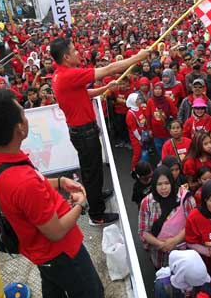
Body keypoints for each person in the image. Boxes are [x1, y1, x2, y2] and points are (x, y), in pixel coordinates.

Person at [0, 90, 129, 298]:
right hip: (60, 250)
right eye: (22, 113)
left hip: (37, 249)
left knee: (52, 284)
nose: (25, 116)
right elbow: (55, 231)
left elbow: (25, 187)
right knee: (91, 294)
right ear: (19, 129)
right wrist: (80, 205)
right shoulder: (23, 183)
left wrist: (57, 182)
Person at [50, 37, 149, 225]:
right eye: (74, 50)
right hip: (83, 132)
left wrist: (105, 88)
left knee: (91, 170)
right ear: (66, 56)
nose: (78, 53)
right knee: (92, 172)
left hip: (82, 131)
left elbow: (83, 94)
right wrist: (137, 57)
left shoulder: (60, 75)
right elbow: (110, 69)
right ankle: (97, 214)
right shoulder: (69, 75)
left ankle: (96, 196)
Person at [139, 165, 194, 269]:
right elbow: (143, 231)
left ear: (172, 183)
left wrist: (174, 241)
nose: (163, 188)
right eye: (159, 184)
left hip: (182, 252)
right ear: (154, 184)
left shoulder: (185, 198)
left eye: (167, 183)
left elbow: (192, 224)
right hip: (159, 256)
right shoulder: (146, 202)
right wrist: (161, 245)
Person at [148, 82, 178, 154]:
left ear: (163, 90)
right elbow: (148, 116)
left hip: (166, 129)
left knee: (169, 147)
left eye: (159, 89)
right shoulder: (150, 101)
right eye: (155, 89)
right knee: (158, 146)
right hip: (156, 131)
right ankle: (162, 160)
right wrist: (149, 129)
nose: (157, 91)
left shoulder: (168, 100)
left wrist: (174, 126)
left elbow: (174, 113)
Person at [126, 93, 149, 174]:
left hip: (142, 134)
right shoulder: (130, 114)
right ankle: (133, 169)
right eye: (138, 100)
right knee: (137, 153)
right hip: (136, 137)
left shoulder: (139, 108)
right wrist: (139, 139)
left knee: (144, 151)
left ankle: (142, 167)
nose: (140, 101)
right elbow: (134, 130)